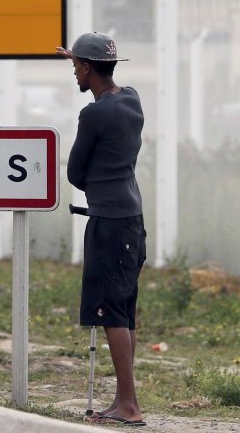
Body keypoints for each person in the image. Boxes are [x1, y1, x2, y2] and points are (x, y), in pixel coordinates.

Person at [58, 32, 147, 427]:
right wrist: (75, 54)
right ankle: (124, 398)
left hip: (108, 222)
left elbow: (76, 171)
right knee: (124, 310)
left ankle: (127, 405)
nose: (74, 72)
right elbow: (102, 79)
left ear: (90, 68)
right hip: (132, 218)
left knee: (110, 312)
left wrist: (92, 177)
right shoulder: (131, 100)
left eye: (77, 66)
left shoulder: (93, 114)